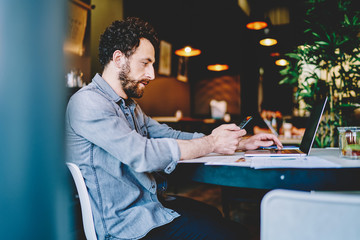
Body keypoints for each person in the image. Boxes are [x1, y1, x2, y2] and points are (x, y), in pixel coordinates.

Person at [65, 17, 283, 240]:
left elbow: (171, 135)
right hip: (126, 227)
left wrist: (240, 142)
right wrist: (212, 142)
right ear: (118, 58)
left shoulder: (130, 107)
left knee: (214, 215)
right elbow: (142, 154)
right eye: (145, 63)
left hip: (149, 209)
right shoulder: (87, 103)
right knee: (235, 235)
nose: (152, 74)